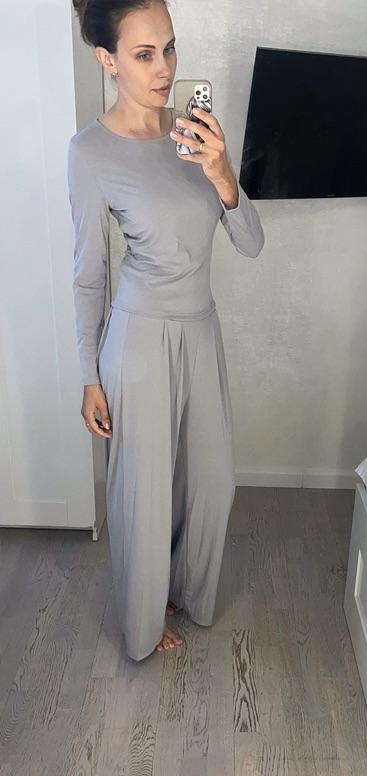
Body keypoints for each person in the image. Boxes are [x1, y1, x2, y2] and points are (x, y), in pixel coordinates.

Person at [68, 0, 264, 660]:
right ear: (108, 60)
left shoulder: (195, 133)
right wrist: (89, 376)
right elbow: (89, 274)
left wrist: (221, 172)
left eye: (170, 48)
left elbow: (252, 244)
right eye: (145, 54)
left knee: (211, 484)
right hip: (139, 341)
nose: (165, 68)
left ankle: (186, 592)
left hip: (201, 331)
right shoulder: (90, 152)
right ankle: (143, 624)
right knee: (144, 497)